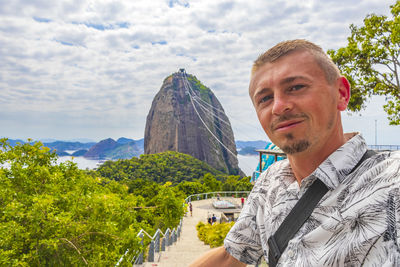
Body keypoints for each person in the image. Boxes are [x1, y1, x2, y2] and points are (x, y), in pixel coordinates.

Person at [189, 39, 400, 267]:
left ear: (341, 93)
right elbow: (232, 255)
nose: (279, 106)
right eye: (265, 98)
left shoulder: (391, 183)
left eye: (296, 87)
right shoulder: (270, 180)